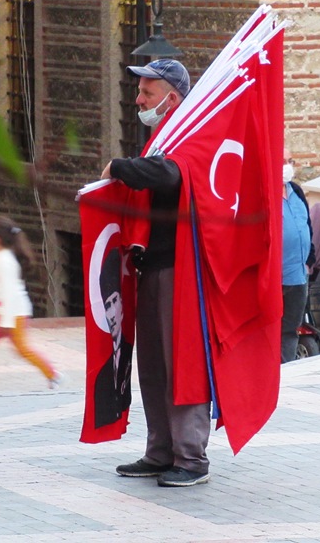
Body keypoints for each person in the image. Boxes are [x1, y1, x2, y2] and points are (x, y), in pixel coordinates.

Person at [100, 58, 212, 487]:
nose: (138, 99)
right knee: (153, 366)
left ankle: (190, 458)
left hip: (182, 269)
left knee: (181, 363)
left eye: (147, 92)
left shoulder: (192, 131)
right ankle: (161, 450)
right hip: (154, 266)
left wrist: (120, 166)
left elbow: (170, 174)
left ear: (172, 97)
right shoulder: (165, 134)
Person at [0, 214, 64, 391]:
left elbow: (9, 294)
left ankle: (53, 374)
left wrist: (6, 322)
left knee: (22, 349)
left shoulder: (5, 261)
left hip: (12, 314)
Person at [280, 150, 315, 363]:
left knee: (291, 328)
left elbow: (306, 225)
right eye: (282, 161)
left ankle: (287, 370)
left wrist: (310, 260)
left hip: (298, 274)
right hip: (274, 276)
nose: (287, 166)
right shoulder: (260, 192)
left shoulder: (296, 191)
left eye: (290, 161)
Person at [93, 247, 133, 428]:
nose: (112, 310)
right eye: (107, 304)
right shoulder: (103, 375)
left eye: (115, 301)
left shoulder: (127, 352)